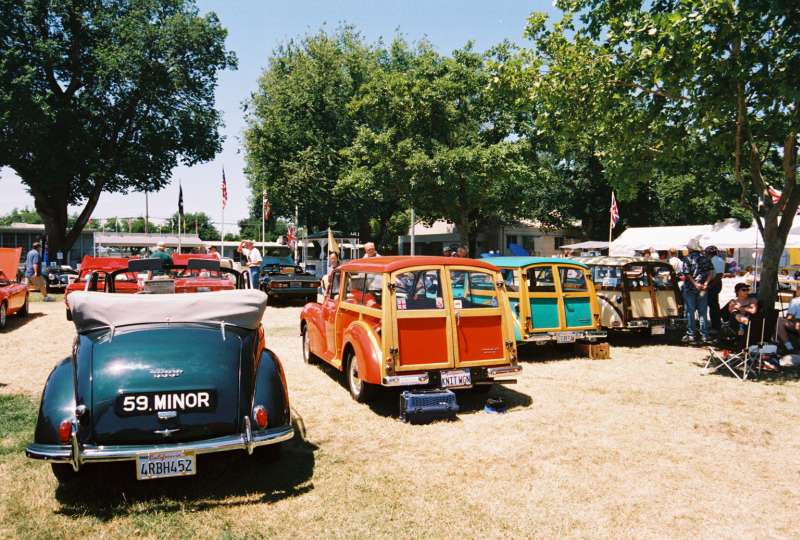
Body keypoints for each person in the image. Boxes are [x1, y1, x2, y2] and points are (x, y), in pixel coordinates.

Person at [681, 238, 713, 343]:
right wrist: (706, 283)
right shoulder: (705, 258)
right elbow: (710, 272)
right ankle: (704, 335)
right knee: (702, 312)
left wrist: (695, 284)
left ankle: (691, 334)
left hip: (690, 288)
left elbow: (687, 274)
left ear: (690, 248)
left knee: (690, 312)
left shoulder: (687, 259)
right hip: (703, 288)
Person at [706, 245, 725, 334]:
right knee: (713, 305)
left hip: (714, 283)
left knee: (713, 305)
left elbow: (719, 275)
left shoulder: (717, 260)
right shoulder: (715, 260)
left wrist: (710, 285)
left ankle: (716, 325)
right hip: (713, 283)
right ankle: (715, 324)